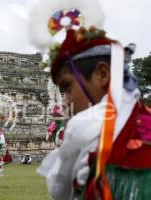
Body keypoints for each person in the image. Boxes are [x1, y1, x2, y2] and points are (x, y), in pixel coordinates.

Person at [36, 5, 151, 200]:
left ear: (102, 74)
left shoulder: (85, 127)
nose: (66, 100)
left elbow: (59, 190)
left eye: (67, 87)